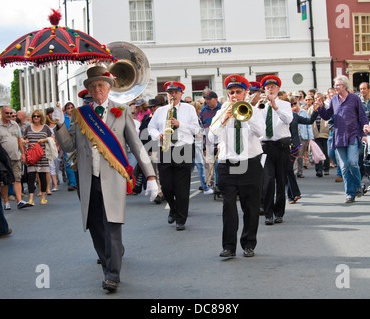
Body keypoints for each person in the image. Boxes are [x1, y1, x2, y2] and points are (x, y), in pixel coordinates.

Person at [53, 65, 158, 293]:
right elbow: (70, 146)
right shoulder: (80, 115)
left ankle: (112, 275)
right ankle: (110, 258)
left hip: (112, 178)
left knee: (112, 225)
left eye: (101, 84)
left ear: (109, 87)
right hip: (87, 179)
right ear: (89, 90)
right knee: (95, 226)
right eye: (93, 86)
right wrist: (60, 125)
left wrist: (150, 175)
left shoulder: (122, 111)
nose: (97, 89)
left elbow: (137, 145)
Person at [208, 75, 265, 258]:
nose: (234, 96)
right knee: (229, 207)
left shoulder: (254, 111)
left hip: (250, 162)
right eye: (231, 92)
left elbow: (260, 132)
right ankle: (229, 247)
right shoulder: (221, 111)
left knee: (251, 208)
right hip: (227, 164)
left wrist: (245, 115)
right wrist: (224, 118)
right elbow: (211, 137)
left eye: (238, 92)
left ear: (244, 93)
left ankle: (249, 244)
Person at [148, 81, 199, 231]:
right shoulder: (160, 110)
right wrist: (158, 135)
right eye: (170, 92)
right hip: (166, 148)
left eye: (176, 92)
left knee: (182, 187)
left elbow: (196, 129)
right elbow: (150, 127)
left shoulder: (189, 109)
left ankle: (181, 219)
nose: (173, 95)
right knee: (166, 185)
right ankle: (173, 208)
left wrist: (179, 124)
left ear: (181, 94)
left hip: (183, 149)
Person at [317, 75, 369, 203]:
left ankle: (357, 186)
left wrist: (365, 132)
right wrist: (320, 108)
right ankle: (350, 193)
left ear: (345, 86)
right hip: (339, 136)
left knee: (352, 162)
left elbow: (362, 116)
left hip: (352, 134)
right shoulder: (334, 100)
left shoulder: (354, 98)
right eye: (335, 85)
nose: (336, 87)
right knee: (344, 167)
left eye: (338, 85)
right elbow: (327, 115)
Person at [258, 75, 293, 225]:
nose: (270, 90)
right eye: (267, 88)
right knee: (267, 181)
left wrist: (275, 107)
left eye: (272, 87)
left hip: (281, 146)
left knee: (280, 180)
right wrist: (257, 107)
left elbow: (288, 120)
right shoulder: (260, 105)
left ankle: (279, 212)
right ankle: (268, 213)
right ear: (264, 90)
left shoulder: (284, 105)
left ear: (278, 89)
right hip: (265, 146)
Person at [0, 106, 30, 210]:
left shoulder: (15, 124)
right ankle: (6, 202)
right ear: (2, 113)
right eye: (7, 113)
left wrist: (23, 153)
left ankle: (19, 201)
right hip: (2, 159)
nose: (9, 115)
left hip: (15, 156)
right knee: (4, 181)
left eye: (10, 113)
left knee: (17, 178)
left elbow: (19, 139)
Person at [287, 97, 318, 204]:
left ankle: (293, 195)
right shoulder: (278, 116)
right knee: (288, 170)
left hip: (294, 146)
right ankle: (293, 195)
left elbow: (309, 121)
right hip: (282, 146)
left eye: (293, 104)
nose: (291, 107)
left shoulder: (295, 116)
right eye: (289, 105)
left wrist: (314, 111)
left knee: (289, 169)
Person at [23, 110, 53, 206]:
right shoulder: (28, 128)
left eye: (38, 116)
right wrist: (24, 141)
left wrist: (44, 140)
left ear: (41, 117)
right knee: (31, 177)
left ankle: (43, 197)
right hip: (31, 155)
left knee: (42, 176)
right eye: (34, 116)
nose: (36, 118)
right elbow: (23, 138)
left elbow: (52, 138)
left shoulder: (45, 128)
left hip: (42, 155)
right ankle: (31, 198)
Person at [310, 93, 330, 177]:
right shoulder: (311, 108)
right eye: (315, 98)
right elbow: (309, 120)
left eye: (319, 98)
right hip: (316, 133)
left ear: (322, 99)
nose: (317, 100)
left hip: (325, 133)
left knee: (325, 151)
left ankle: (326, 168)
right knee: (317, 152)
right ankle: (319, 170)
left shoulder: (327, 107)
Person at [62, 102, 78, 192]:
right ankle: (72, 183)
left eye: (72, 107)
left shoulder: (77, 117)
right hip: (68, 142)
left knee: (77, 162)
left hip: (77, 141)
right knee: (68, 163)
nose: (70, 109)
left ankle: (77, 181)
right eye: (68, 108)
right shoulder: (63, 119)